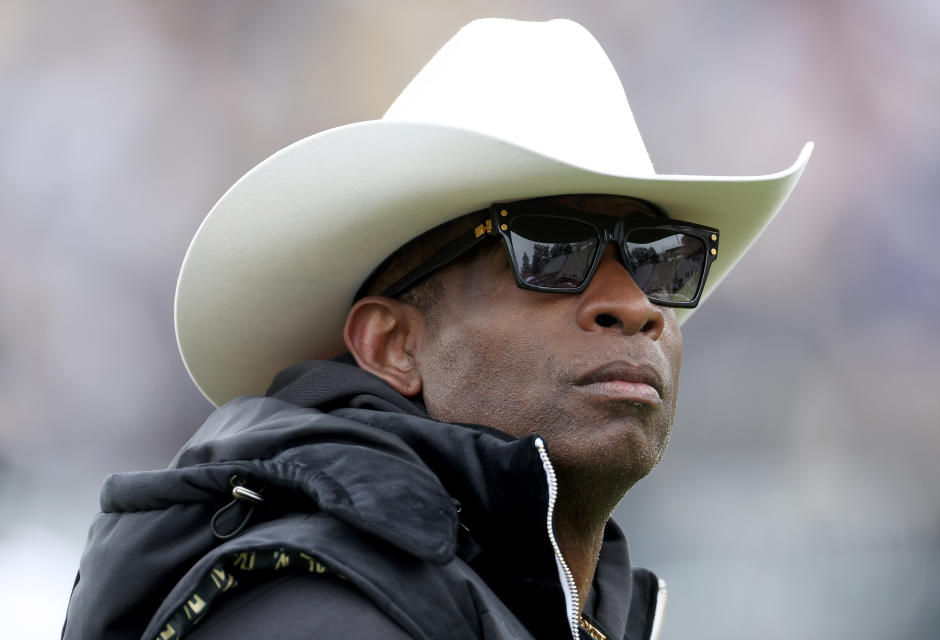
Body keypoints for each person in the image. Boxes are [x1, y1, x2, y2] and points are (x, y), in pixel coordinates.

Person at [62, 18, 811, 640]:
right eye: (552, 251)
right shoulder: (319, 616)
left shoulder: (505, 606)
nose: (637, 304)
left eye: (659, 261)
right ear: (394, 345)